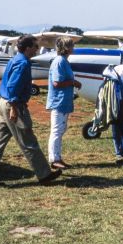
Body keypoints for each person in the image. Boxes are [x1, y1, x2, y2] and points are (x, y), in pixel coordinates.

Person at [0, 35, 61, 187]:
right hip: (13, 105)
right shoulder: (24, 63)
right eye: (35, 46)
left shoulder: (15, 59)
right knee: (28, 141)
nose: (37, 49)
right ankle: (44, 175)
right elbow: (13, 86)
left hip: (2, 103)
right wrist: (13, 108)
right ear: (27, 48)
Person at [46, 36, 81, 169]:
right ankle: (54, 159)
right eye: (71, 45)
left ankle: (57, 157)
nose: (73, 48)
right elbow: (57, 82)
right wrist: (73, 82)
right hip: (59, 102)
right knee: (56, 130)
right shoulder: (60, 62)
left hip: (63, 101)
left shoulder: (63, 61)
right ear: (66, 48)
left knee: (60, 129)